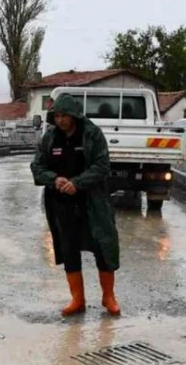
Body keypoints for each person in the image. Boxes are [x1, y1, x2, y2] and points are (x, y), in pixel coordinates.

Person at [31, 94, 121, 317]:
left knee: (103, 245)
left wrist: (78, 183)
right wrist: (54, 179)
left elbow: (102, 166)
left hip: (93, 201)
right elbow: (37, 166)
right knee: (69, 248)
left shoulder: (92, 134)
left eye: (64, 116)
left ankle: (108, 297)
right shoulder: (51, 137)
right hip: (61, 204)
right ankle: (77, 299)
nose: (60, 120)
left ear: (74, 116)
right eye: (57, 116)